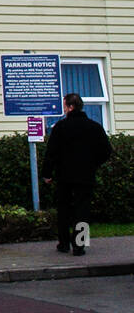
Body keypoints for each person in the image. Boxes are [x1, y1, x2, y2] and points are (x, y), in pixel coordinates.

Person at [41, 93, 112, 256]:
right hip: (85, 175)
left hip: (64, 175)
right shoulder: (94, 127)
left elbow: (51, 153)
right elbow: (106, 151)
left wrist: (47, 173)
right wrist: (93, 164)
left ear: (71, 107)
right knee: (83, 209)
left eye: (65, 106)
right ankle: (79, 246)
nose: (64, 109)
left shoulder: (60, 127)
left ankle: (64, 243)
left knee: (63, 209)